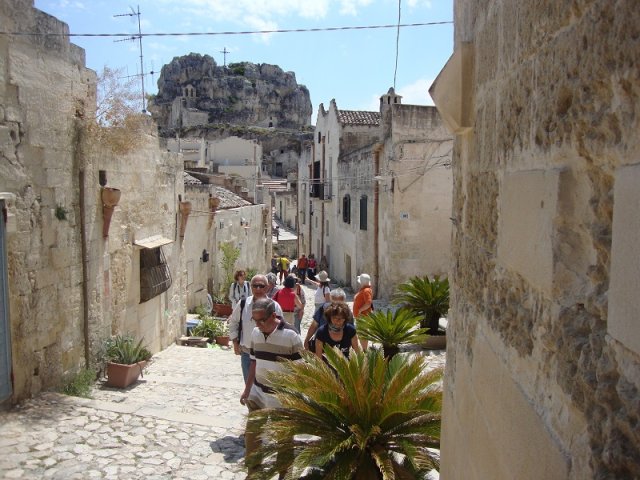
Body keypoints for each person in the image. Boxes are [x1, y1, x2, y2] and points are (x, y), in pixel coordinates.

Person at [240, 297, 303, 477]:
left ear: (273, 315)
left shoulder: (291, 335)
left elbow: (299, 369)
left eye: (262, 320)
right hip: (258, 392)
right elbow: (253, 362)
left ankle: (284, 473)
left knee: (283, 438)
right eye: (255, 320)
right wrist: (247, 390)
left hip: (281, 396)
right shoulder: (255, 333)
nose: (259, 324)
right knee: (253, 433)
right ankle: (253, 471)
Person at [229, 275, 284, 383]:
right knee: (249, 388)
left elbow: (280, 328)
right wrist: (235, 342)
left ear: (267, 287)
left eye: (261, 286)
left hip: (268, 354)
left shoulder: (274, 306)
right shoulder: (243, 304)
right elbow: (234, 323)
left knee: (266, 387)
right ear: (251, 287)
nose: (258, 289)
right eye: (255, 286)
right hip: (247, 354)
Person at [353, 273, 373, 350]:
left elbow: (368, 303)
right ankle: (364, 348)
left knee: (362, 333)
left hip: (363, 316)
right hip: (361, 316)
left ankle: (365, 349)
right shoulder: (365, 290)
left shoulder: (366, 290)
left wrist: (360, 310)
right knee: (361, 332)